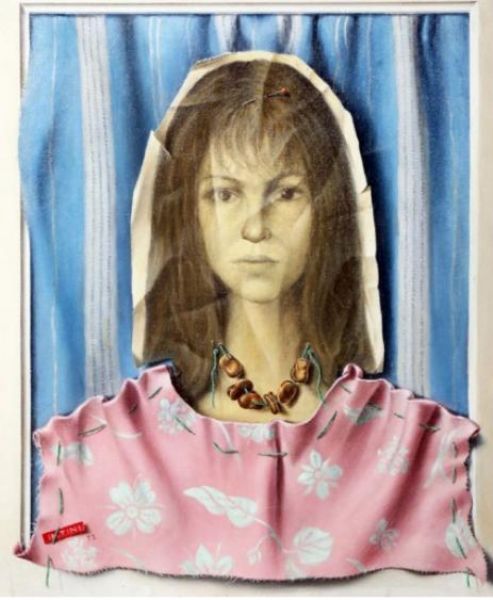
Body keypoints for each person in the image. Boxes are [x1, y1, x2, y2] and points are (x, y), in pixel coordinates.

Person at [131, 51, 384, 423]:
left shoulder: (391, 423)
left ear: (327, 208)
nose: (254, 229)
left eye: (286, 194)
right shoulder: (128, 424)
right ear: (189, 213)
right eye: (225, 194)